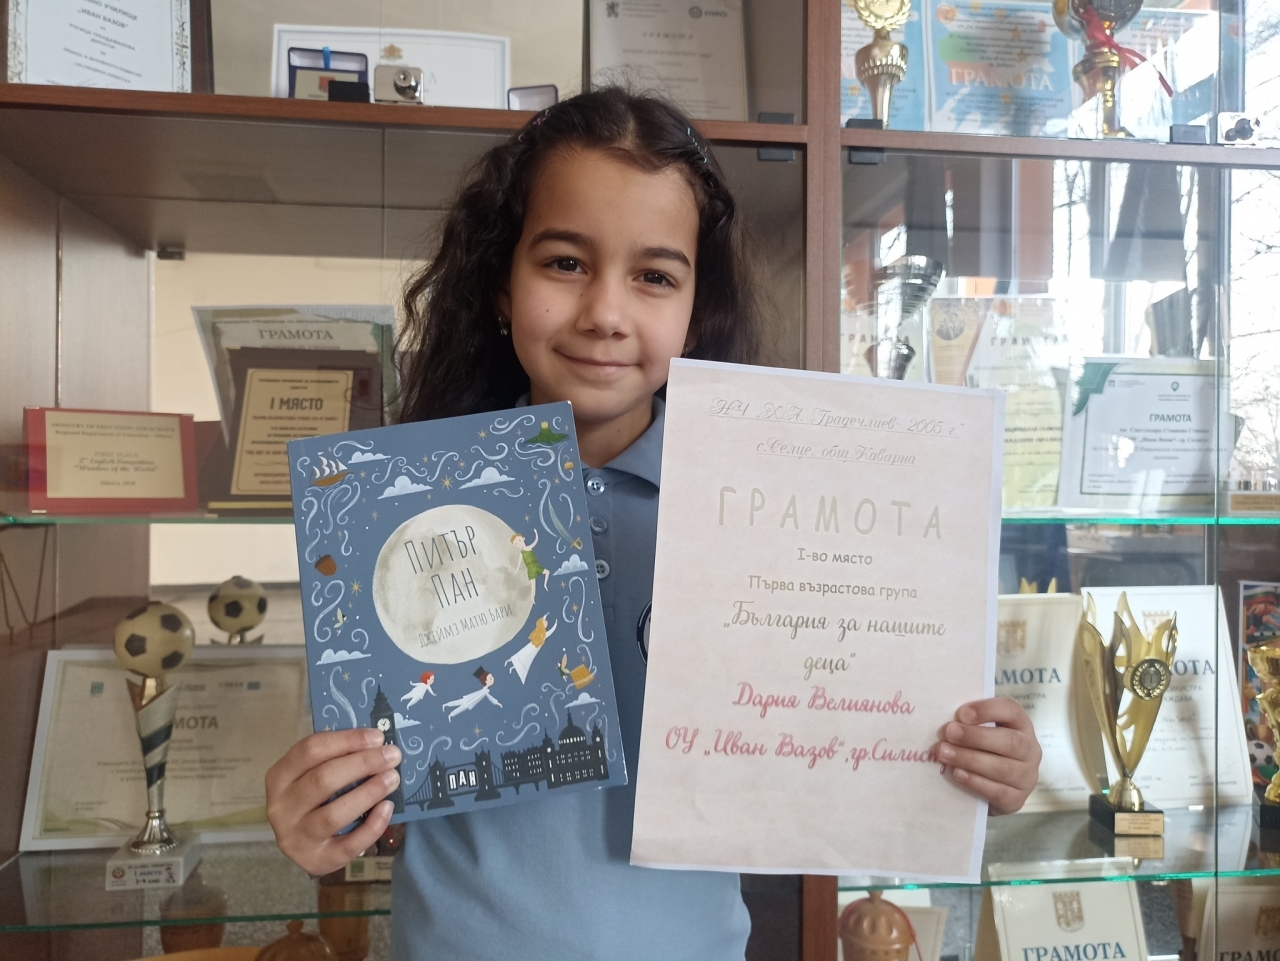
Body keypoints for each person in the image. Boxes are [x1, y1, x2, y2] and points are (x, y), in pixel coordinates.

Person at [265, 87, 1043, 960]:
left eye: (655, 276)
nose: (605, 312)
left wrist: (976, 762)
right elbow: (374, 792)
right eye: (565, 262)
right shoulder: (403, 512)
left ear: (696, 309)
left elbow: (861, 733)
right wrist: (324, 814)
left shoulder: (768, 516)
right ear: (500, 285)